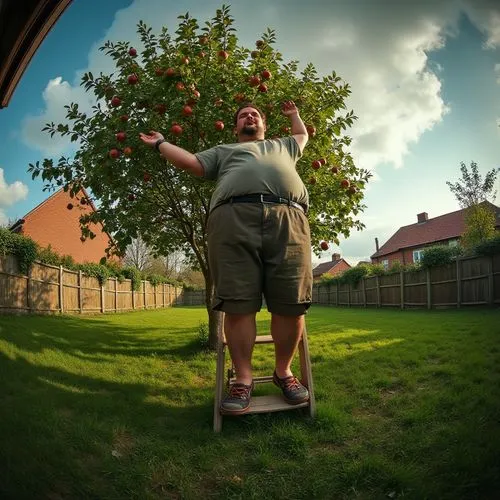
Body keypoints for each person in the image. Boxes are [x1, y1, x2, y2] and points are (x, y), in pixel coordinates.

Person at [139, 100, 313, 415]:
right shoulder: (224, 151)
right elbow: (192, 162)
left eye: (255, 114)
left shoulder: (284, 145)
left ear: (264, 125)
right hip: (232, 219)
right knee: (238, 302)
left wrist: (293, 115)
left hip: (289, 219)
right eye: (243, 115)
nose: (249, 116)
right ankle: (243, 380)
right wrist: (161, 143)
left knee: (292, 301)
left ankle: (283, 373)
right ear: (236, 127)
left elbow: (302, 136)